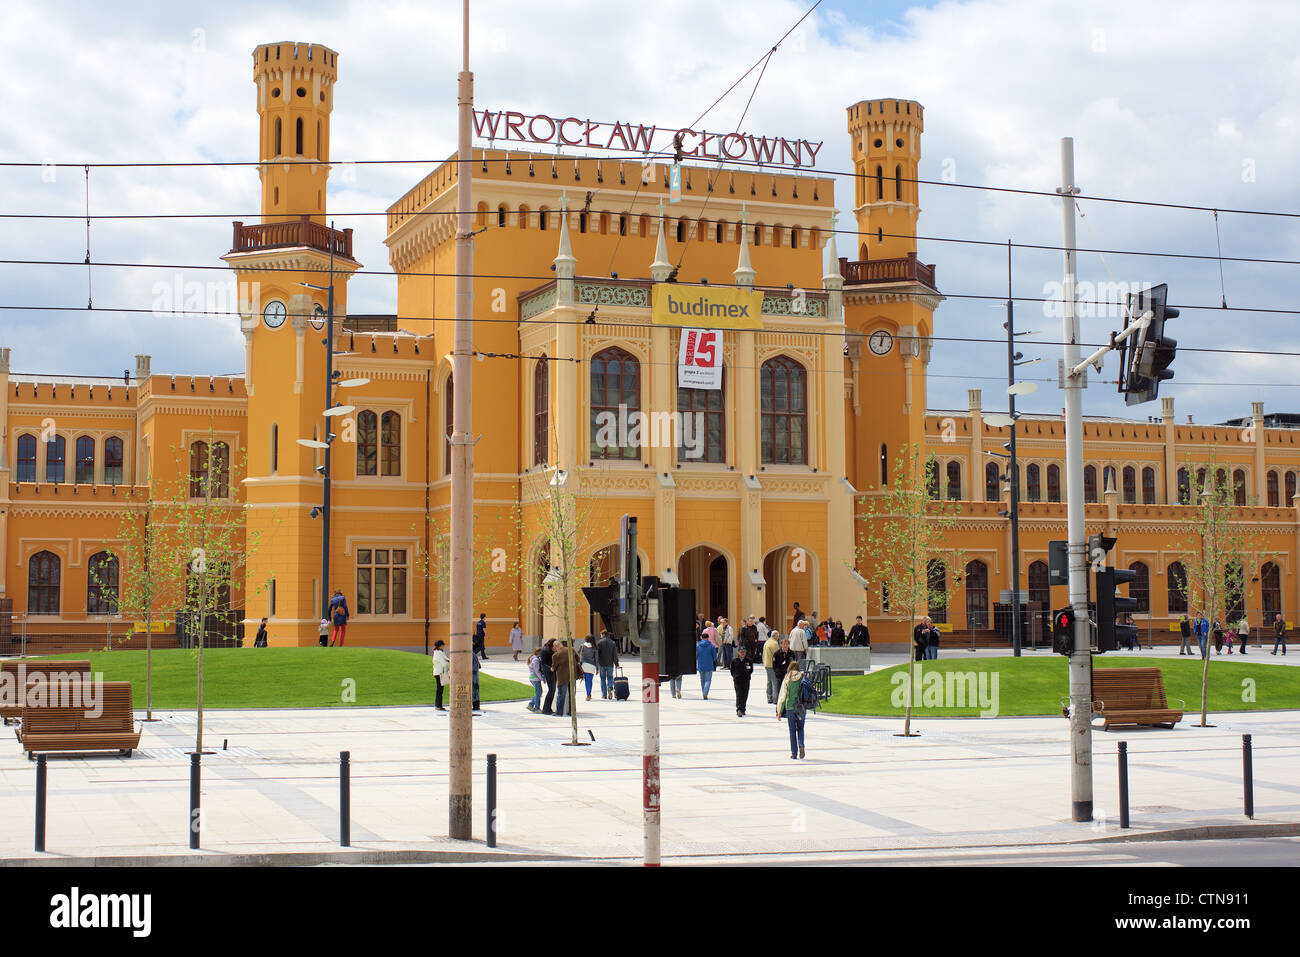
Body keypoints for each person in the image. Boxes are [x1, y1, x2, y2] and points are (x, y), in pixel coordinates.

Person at [776, 659, 806, 760]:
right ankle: (801, 744)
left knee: (792, 731)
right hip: (801, 707)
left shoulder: (787, 678)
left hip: (790, 707)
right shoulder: (802, 677)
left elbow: (783, 696)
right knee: (801, 728)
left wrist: (779, 711)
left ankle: (794, 753)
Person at [553, 639, 578, 717]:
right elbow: (578, 659)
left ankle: (559, 712)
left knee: (561, 694)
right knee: (572, 694)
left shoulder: (556, 655)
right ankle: (571, 711)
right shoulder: (572, 650)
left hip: (562, 677)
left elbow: (554, 667)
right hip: (572, 675)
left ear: (556, 647)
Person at [730, 644, 754, 717]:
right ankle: (739, 709)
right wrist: (735, 676)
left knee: (745, 695)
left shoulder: (749, 661)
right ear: (738, 653)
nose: (742, 653)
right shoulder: (735, 661)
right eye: (741, 652)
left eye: (744, 652)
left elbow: (751, 669)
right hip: (738, 680)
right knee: (739, 694)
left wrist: (747, 673)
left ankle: (743, 709)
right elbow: (732, 670)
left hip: (746, 680)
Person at [597, 629, 620, 699]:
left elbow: (597, 654)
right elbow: (615, 654)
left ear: (603, 634)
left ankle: (604, 694)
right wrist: (616, 663)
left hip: (601, 663)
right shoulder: (612, 643)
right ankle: (610, 687)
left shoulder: (599, 643)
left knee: (602, 678)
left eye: (601, 635)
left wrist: (596, 665)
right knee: (610, 677)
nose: (600, 636)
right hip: (610, 663)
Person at [696, 633, 717, 699]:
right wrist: (712, 660)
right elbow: (715, 656)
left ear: (701, 638)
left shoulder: (698, 645)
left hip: (700, 664)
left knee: (702, 680)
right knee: (708, 680)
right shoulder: (711, 645)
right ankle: (705, 693)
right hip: (709, 664)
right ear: (708, 638)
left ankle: (703, 692)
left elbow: (696, 655)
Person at [762, 628, 780, 704]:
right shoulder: (775, 644)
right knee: (774, 682)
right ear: (776, 636)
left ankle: (769, 697)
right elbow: (777, 655)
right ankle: (775, 698)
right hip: (772, 665)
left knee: (769, 681)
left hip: (766, 663)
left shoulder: (767, 642)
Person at [431, 639, 450, 711]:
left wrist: (448, 661)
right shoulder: (437, 654)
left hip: (441, 672)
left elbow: (446, 660)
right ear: (440, 646)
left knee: (440, 689)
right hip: (439, 673)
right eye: (443, 645)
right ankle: (438, 705)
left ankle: (439, 705)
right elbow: (444, 663)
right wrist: (448, 662)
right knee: (439, 690)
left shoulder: (441, 653)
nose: (444, 646)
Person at [579, 634, 599, 701]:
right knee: (590, 681)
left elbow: (579, 654)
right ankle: (589, 693)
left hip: (584, 665)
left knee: (587, 681)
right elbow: (596, 659)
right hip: (592, 666)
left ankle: (588, 695)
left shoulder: (582, 646)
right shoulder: (594, 647)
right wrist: (597, 668)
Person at [540, 638, 557, 714]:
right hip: (549, 672)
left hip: (552, 671)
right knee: (551, 690)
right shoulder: (545, 650)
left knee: (552, 690)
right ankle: (546, 709)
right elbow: (543, 664)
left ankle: (548, 708)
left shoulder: (550, 650)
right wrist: (550, 668)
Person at [526, 647, 543, 712]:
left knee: (538, 692)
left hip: (533, 678)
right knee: (538, 693)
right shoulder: (536, 660)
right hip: (535, 678)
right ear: (539, 653)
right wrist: (542, 678)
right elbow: (537, 671)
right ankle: (536, 708)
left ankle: (530, 704)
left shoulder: (534, 658)